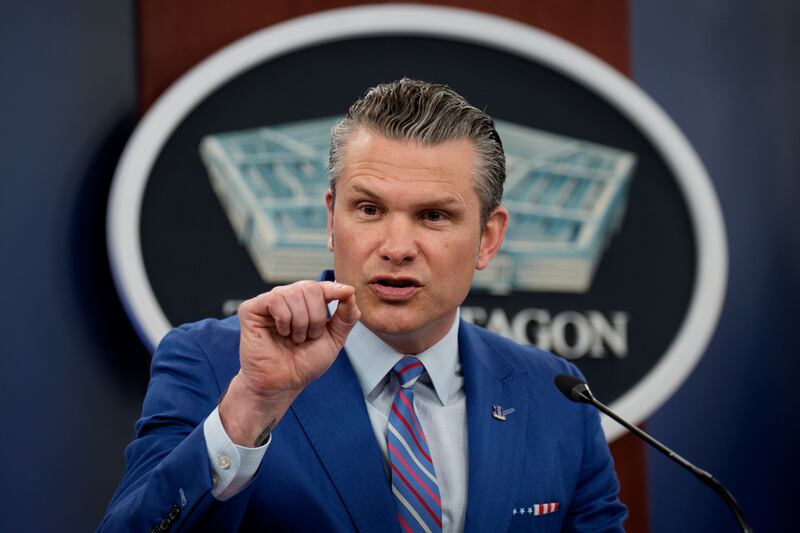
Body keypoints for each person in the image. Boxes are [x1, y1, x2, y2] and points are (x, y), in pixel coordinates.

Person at [99, 78, 627, 532]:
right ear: (332, 220)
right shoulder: (215, 363)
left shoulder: (556, 398)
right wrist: (250, 411)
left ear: (488, 238)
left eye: (433, 217)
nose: (396, 246)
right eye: (369, 209)